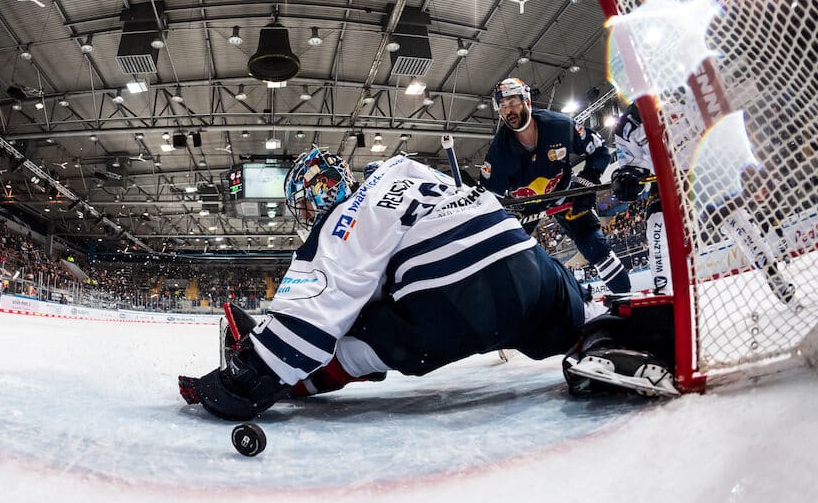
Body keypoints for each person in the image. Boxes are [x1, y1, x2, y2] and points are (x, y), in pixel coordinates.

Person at [179, 148, 676, 422]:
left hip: (454, 302)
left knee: (354, 339)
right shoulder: (407, 169)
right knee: (568, 316)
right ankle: (608, 340)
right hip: (525, 263)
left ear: (310, 202)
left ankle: (298, 383)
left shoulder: (341, 222)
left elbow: (311, 317)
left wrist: (247, 377)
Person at [613, 98, 794, 303]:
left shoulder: (678, 96)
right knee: (657, 228)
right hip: (666, 183)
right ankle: (665, 296)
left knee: (738, 220)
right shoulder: (626, 125)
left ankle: (773, 275)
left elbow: (710, 129)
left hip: (703, 173)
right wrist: (626, 178)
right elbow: (630, 164)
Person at [479, 77, 631, 294]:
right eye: (503, 106)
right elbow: (487, 197)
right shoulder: (498, 153)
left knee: (595, 246)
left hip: (564, 194)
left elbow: (599, 150)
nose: (508, 111)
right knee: (505, 262)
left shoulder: (559, 125)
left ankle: (626, 298)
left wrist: (587, 179)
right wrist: (506, 213)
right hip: (525, 208)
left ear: (527, 102)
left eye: (512, 103)